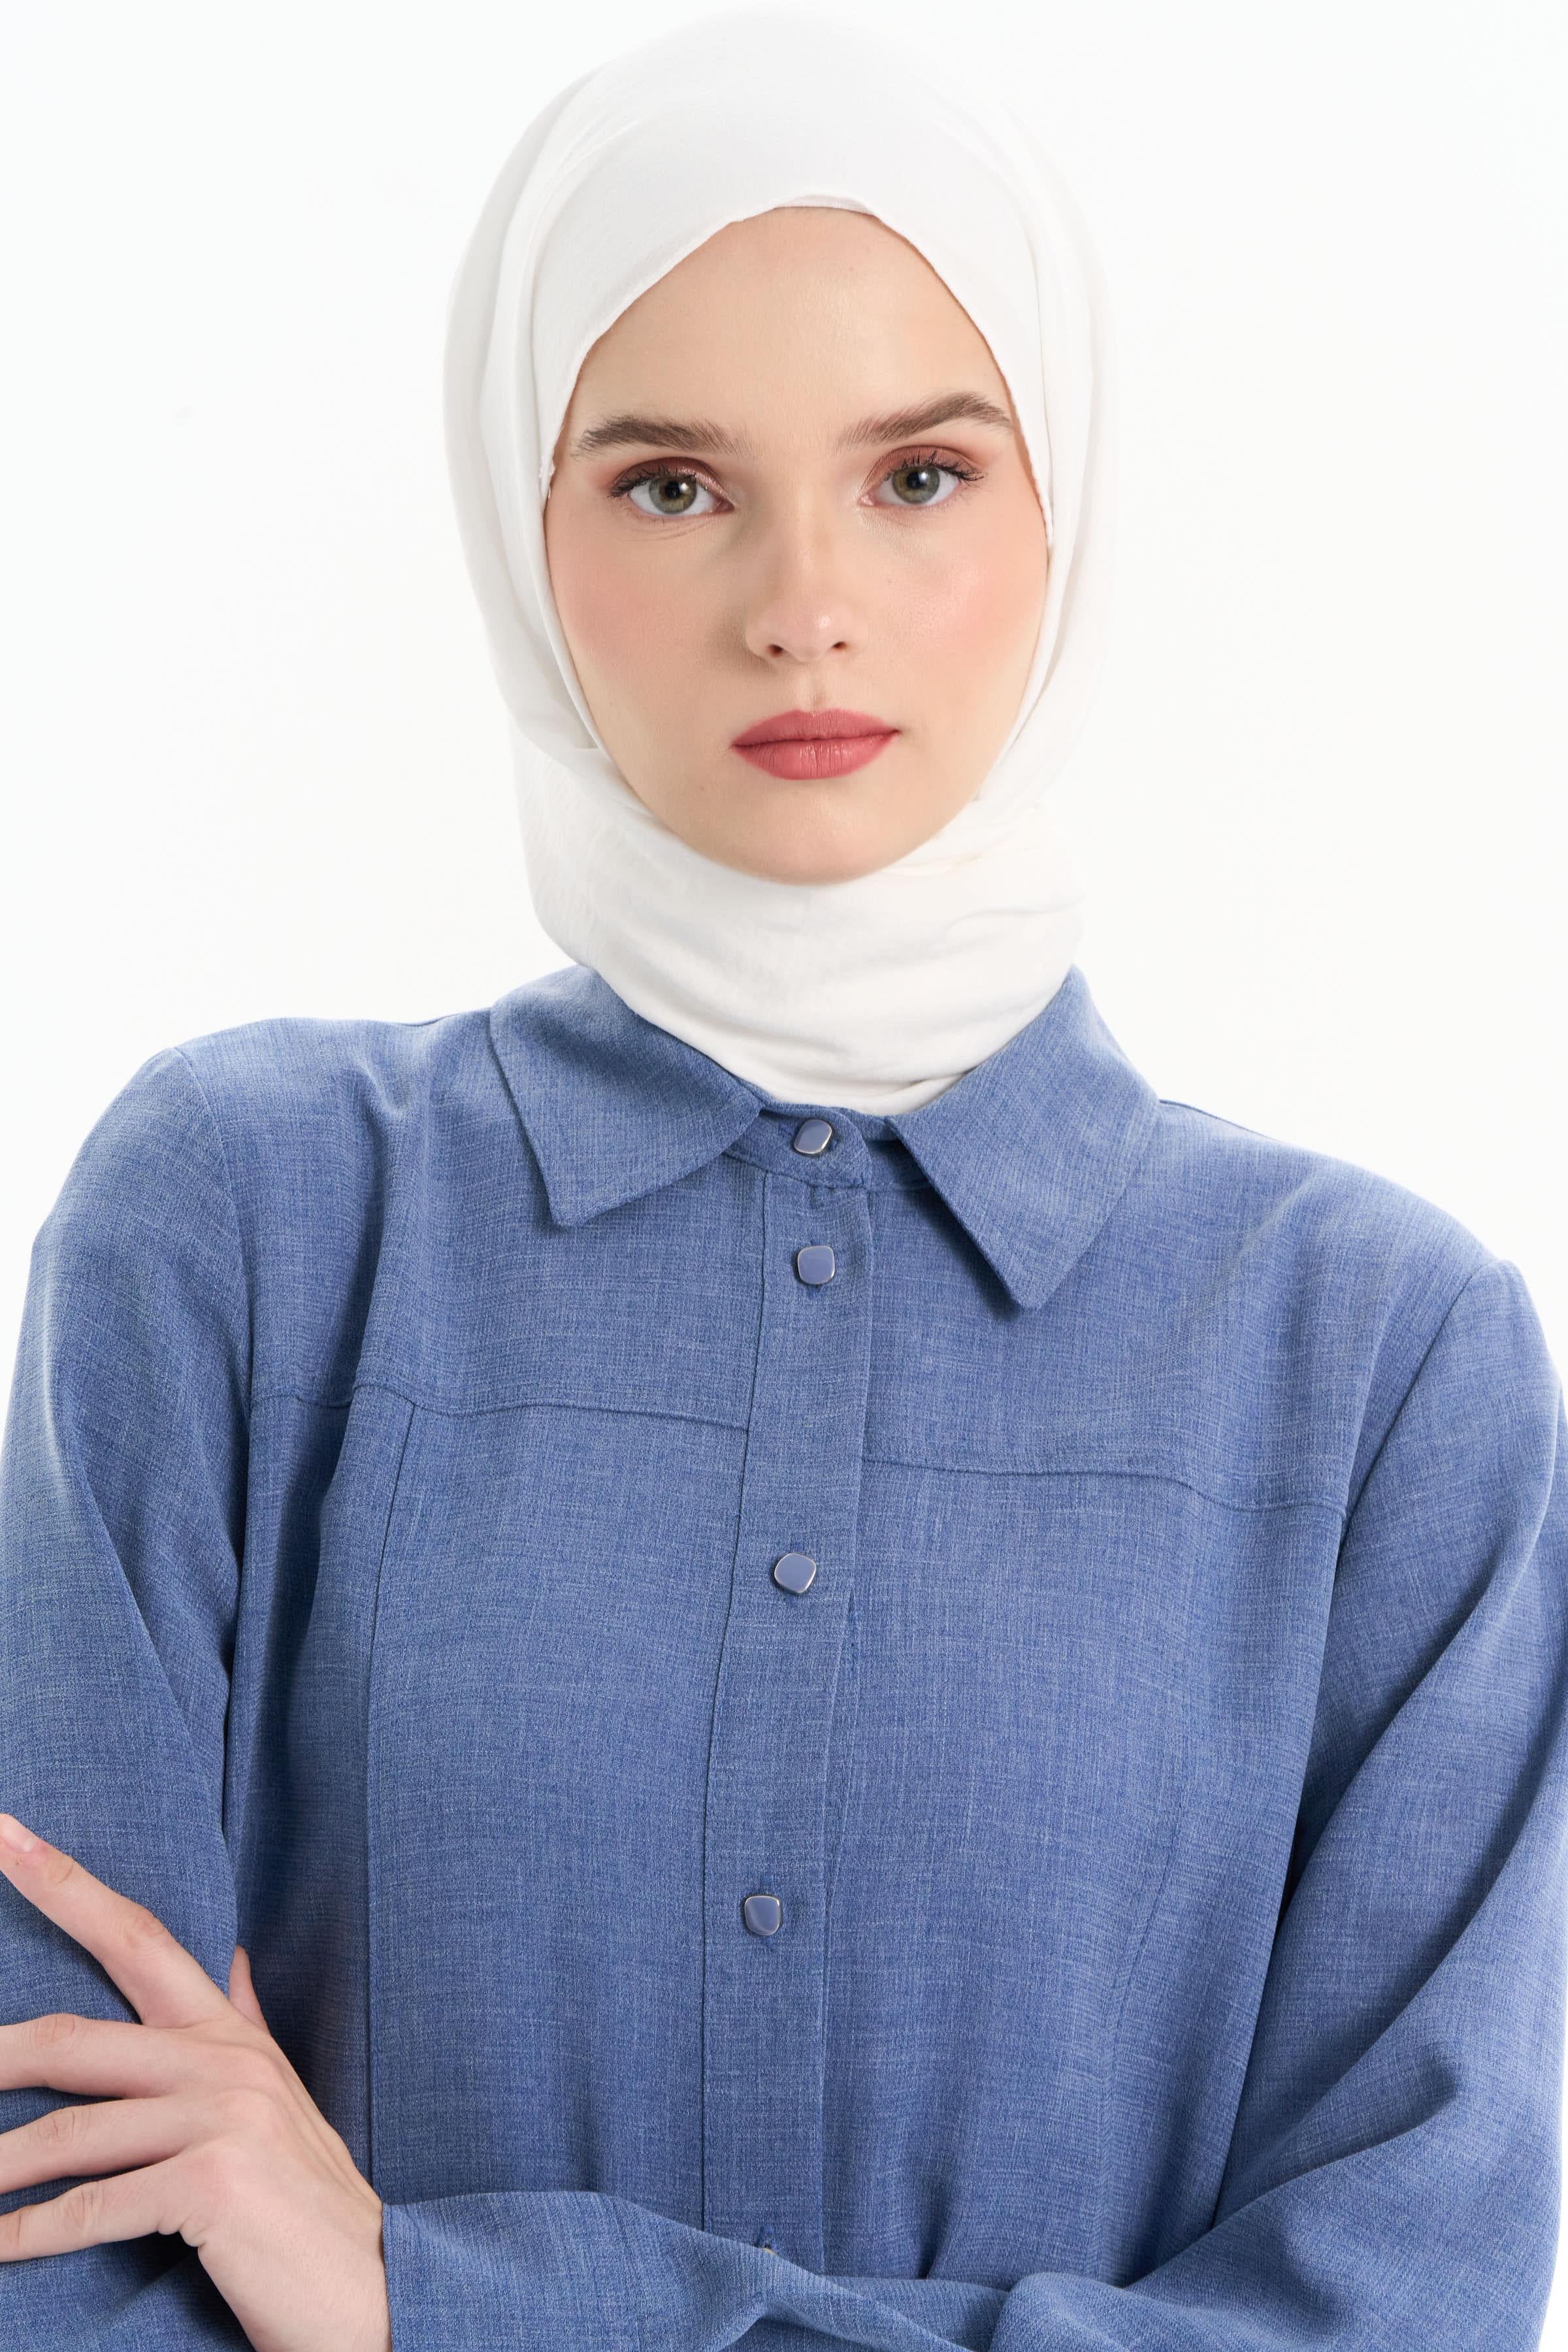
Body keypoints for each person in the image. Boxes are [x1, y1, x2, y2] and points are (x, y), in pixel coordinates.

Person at [1, 10, 1565, 2349]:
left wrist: (437, 2304)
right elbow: (54, 2240)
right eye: (671, 485)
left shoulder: (1383, 1367)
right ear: (522, 532)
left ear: (1066, 512)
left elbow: (1395, 2310)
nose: (802, 602)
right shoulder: (240, 1232)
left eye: (919, 474)